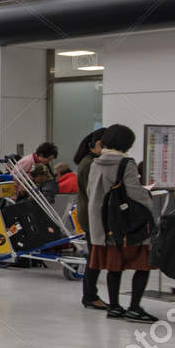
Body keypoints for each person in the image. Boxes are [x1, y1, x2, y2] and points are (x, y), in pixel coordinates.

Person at [84, 124, 157, 323]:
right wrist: (148, 198)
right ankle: (134, 308)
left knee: (113, 266)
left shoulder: (95, 163)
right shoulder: (126, 163)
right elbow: (135, 193)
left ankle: (114, 307)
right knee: (143, 264)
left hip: (103, 225)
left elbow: (91, 192)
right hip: (127, 224)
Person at [72, 129, 107, 311]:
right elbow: (93, 192)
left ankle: (91, 294)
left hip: (89, 215)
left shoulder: (90, 162)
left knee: (95, 256)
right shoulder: (90, 164)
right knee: (95, 257)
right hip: (90, 216)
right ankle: (90, 295)